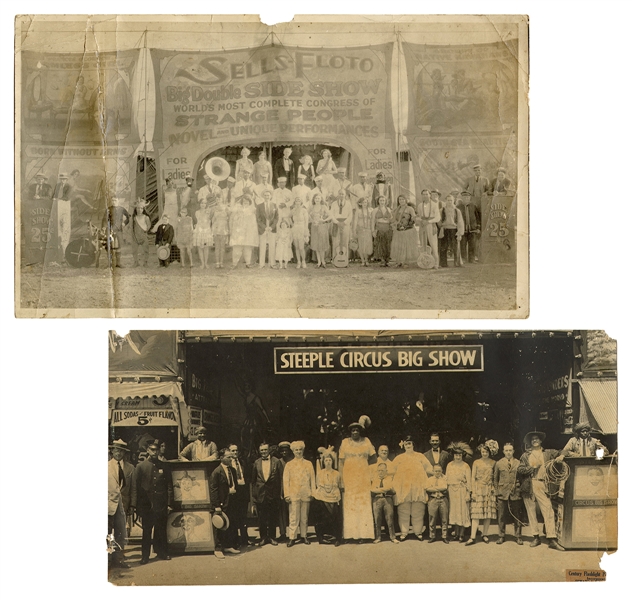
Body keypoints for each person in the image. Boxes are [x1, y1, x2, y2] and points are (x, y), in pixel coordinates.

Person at [517, 431, 566, 551]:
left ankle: (552, 539)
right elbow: (520, 469)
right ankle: (536, 537)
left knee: (548, 510)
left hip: (543, 484)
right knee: (531, 512)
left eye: (537, 439)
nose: (535, 441)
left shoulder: (548, 453)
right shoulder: (525, 455)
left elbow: (563, 451)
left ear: (541, 441)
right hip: (530, 484)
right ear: (530, 442)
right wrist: (532, 468)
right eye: (532, 439)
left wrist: (561, 456)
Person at [131, 441, 173, 565]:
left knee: (161, 530)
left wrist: (169, 503)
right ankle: (145, 556)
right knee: (147, 531)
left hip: (161, 504)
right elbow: (136, 487)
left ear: (159, 450)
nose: (154, 452)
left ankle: (162, 553)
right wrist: (136, 506)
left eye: (157, 450)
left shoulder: (164, 466)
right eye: (152, 450)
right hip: (147, 506)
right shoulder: (141, 466)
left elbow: (169, 486)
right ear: (148, 450)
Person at [339, 417, 376, 542]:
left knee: (363, 503)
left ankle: (364, 535)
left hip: (363, 477)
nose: (355, 432)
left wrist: (369, 474)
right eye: (353, 430)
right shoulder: (344, 442)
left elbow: (373, 459)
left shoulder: (366, 441)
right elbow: (341, 462)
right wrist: (341, 480)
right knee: (351, 504)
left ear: (360, 431)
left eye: (357, 430)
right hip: (349, 478)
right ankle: (351, 535)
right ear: (350, 432)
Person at [392, 435, 433, 541]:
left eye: (410, 443)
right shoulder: (399, 458)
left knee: (418, 510)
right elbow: (391, 471)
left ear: (413, 445)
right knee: (403, 510)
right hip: (403, 489)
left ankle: (418, 532)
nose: (408, 445)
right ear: (403, 445)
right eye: (406, 444)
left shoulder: (420, 457)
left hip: (418, 488)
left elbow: (429, 469)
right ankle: (404, 532)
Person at [209, 448, 241, 559]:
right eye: (228, 457)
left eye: (231, 457)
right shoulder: (216, 472)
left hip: (231, 501)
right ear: (221, 458)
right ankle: (218, 549)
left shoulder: (232, 470)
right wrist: (216, 505)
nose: (231, 458)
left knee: (230, 524)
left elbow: (234, 485)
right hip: (221, 503)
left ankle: (228, 545)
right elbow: (213, 490)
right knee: (219, 526)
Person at [465, 440, 499, 545]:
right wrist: (473, 492)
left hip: (489, 490)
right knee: (476, 514)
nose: (484, 454)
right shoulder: (476, 462)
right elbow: (472, 477)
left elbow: (495, 478)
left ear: (490, 452)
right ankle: (472, 536)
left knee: (488, 514)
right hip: (478, 489)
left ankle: (485, 534)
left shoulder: (493, 463)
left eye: (486, 452)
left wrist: (494, 489)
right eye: (483, 451)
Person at [283, 440, 315, 547]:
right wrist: (286, 494)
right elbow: (286, 481)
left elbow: (312, 479)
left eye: (300, 449)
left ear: (303, 450)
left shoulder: (308, 464)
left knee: (304, 516)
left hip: (306, 493)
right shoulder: (289, 465)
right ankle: (292, 537)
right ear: (293, 451)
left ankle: (304, 535)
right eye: (296, 450)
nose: (298, 452)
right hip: (293, 493)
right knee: (293, 516)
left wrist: (313, 492)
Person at [251, 442, 283, 546]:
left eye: (265, 450)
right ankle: (263, 538)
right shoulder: (256, 462)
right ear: (259, 452)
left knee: (273, 516)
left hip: (273, 494)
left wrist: (281, 493)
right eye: (262, 450)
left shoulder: (276, 461)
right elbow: (253, 480)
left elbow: (281, 478)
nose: (264, 452)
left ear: (269, 450)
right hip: (261, 494)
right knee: (262, 518)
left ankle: (272, 537)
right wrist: (254, 496)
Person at [108, 440, 134, 569]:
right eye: (116, 450)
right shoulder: (105, 466)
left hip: (123, 505)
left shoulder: (130, 467)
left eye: (121, 451)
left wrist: (132, 505)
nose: (118, 453)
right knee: (108, 534)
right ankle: (107, 560)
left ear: (124, 453)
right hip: (108, 505)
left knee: (121, 533)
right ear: (112, 451)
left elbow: (132, 489)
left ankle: (118, 560)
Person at [493, 442, 525, 545]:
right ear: (503, 451)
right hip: (502, 493)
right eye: (506, 450)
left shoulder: (518, 463)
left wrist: (519, 489)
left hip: (515, 492)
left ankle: (518, 536)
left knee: (517, 515)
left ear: (513, 451)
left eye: (510, 450)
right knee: (501, 515)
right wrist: (497, 491)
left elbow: (522, 478)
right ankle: (501, 536)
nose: (508, 452)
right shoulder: (498, 463)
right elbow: (495, 479)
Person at [313, 449, 343, 546]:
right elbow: (319, 484)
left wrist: (333, 491)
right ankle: (321, 538)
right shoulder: (320, 473)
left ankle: (337, 538)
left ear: (332, 461)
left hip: (334, 496)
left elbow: (338, 485)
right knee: (321, 517)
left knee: (335, 517)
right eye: (326, 460)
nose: (328, 462)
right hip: (323, 496)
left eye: (330, 460)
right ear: (323, 462)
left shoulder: (337, 473)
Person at [446, 442, 472, 542]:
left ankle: (461, 534)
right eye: (456, 455)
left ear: (462, 456)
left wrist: (468, 493)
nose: (458, 457)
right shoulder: (449, 465)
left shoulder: (465, 466)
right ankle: (456, 534)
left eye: (459, 455)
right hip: (452, 491)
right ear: (453, 455)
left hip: (462, 491)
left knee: (462, 512)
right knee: (454, 512)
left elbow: (469, 481)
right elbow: (447, 478)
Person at [228, 443, 250, 547]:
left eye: (236, 450)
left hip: (243, 492)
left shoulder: (243, 462)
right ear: (229, 451)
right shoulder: (228, 463)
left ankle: (245, 539)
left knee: (243, 516)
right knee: (234, 517)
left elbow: (248, 477)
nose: (235, 452)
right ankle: (235, 540)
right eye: (233, 451)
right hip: (233, 492)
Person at [370, 462, 398, 544]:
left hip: (387, 499)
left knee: (389, 518)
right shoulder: (374, 480)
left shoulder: (389, 479)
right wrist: (383, 490)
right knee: (377, 519)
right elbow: (372, 490)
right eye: (379, 470)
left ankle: (393, 537)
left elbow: (390, 489)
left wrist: (378, 490)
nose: (380, 472)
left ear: (386, 470)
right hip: (377, 500)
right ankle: (378, 537)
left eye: (382, 470)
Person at [229, 194, 258, 268]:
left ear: (249, 202)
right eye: (244, 201)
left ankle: (248, 263)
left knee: (247, 247)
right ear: (242, 202)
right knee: (237, 247)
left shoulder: (252, 210)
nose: (246, 202)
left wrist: (252, 231)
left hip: (248, 231)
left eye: (247, 201)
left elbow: (253, 222)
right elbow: (232, 218)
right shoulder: (238, 209)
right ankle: (234, 263)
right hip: (238, 231)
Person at [391, 195, 419, 267]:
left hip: (407, 230)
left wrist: (414, 219)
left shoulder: (410, 209)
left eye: (403, 199)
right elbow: (394, 219)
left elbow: (414, 217)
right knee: (399, 246)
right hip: (399, 230)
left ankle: (406, 262)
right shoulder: (396, 209)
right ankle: (399, 262)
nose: (401, 201)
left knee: (407, 247)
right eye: (400, 199)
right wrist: (393, 224)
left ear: (406, 200)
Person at [425, 464, 450, 544]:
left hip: (443, 499)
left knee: (444, 518)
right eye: (436, 471)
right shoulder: (429, 479)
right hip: (433, 499)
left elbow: (445, 487)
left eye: (439, 471)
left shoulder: (444, 479)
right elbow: (427, 488)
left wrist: (433, 488)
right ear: (433, 471)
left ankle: (444, 536)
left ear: (442, 471)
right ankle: (432, 536)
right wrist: (438, 488)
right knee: (432, 518)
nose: (437, 472)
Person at [438, 194, 464, 267]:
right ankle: (443, 263)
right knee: (444, 246)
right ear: (445, 201)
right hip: (445, 229)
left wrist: (459, 233)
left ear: (454, 201)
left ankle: (457, 263)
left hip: (454, 230)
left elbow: (460, 222)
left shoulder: (457, 211)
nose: (449, 202)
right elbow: (438, 220)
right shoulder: (441, 210)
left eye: (451, 200)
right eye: (448, 200)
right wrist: (441, 226)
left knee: (456, 247)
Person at [104, 196, 130, 268]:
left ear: (118, 201)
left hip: (119, 231)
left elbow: (128, 217)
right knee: (109, 247)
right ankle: (110, 263)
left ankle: (118, 263)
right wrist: (106, 227)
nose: (114, 202)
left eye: (115, 200)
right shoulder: (108, 209)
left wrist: (124, 223)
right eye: (112, 201)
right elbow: (104, 219)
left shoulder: (122, 209)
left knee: (119, 247)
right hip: (110, 231)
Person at [256, 189, 279, 268]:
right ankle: (261, 264)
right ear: (263, 196)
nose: (267, 197)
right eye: (265, 195)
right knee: (262, 246)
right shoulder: (259, 206)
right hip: (263, 229)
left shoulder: (275, 205)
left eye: (268, 195)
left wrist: (271, 227)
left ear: (271, 196)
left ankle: (272, 263)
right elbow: (258, 219)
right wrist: (264, 227)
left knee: (272, 246)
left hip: (272, 228)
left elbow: (276, 218)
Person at [330, 188, 353, 260]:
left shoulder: (348, 203)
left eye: (343, 194)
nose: (341, 195)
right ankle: (335, 259)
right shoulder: (334, 204)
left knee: (345, 241)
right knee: (336, 242)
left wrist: (344, 222)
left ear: (345, 195)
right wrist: (337, 222)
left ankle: (345, 259)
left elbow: (350, 215)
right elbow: (331, 214)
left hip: (345, 224)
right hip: (336, 224)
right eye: (340, 194)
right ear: (338, 194)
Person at [309, 192, 332, 268]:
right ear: (314, 199)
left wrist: (324, 220)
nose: (317, 200)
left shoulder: (324, 207)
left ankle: (323, 261)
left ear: (321, 199)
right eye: (316, 198)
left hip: (322, 227)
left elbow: (330, 216)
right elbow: (308, 217)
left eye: (318, 198)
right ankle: (319, 262)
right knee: (316, 245)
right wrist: (312, 221)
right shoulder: (312, 207)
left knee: (322, 245)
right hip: (314, 227)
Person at [458, 191, 480, 264]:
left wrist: (478, 228)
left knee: (472, 245)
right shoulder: (458, 207)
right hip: (462, 230)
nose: (466, 198)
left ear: (470, 198)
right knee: (462, 245)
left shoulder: (473, 206)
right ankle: (463, 259)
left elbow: (478, 217)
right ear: (462, 198)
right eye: (464, 197)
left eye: (467, 197)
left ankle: (472, 259)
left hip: (472, 229)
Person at [277, 441, 293, 541]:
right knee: (281, 512)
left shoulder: (292, 461)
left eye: (286, 450)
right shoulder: (279, 462)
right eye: (282, 451)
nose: (284, 452)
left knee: (292, 512)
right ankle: (283, 533)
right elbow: (278, 478)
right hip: (282, 490)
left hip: (292, 489)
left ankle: (292, 533)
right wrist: (280, 492)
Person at [371, 195, 393, 266]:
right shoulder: (375, 210)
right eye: (380, 200)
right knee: (380, 245)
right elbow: (372, 221)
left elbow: (391, 220)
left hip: (387, 229)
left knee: (387, 245)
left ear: (385, 201)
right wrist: (373, 231)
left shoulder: (389, 209)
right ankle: (382, 260)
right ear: (378, 201)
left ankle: (387, 260)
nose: (382, 202)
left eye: (383, 200)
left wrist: (388, 220)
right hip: (379, 229)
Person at [130, 200, 151, 268]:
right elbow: (131, 227)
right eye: (138, 208)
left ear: (143, 209)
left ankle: (145, 262)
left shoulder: (146, 217)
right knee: (134, 250)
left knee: (146, 250)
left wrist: (145, 230)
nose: (139, 210)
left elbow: (149, 225)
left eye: (141, 208)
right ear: (136, 209)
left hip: (143, 235)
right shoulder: (133, 218)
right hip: (135, 236)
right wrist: (133, 234)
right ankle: (136, 262)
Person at [193, 199, 212, 269]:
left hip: (206, 230)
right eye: (201, 203)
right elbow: (197, 221)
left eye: (204, 203)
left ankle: (206, 263)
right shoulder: (197, 212)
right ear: (199, 204)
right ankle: (202, 263)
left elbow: (209, 221)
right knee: (200, 247)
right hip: (199, 230)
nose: (203, 205)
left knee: (206, 247)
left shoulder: (208, 212)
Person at [290, 197, 309, 269]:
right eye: (296, 201)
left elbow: (306, 222)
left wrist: (306, 231)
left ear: (301, 202)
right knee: (296, 247)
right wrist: (292, 225)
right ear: (294, 203)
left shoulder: (304, 210)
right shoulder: (293, 210)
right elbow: (288, 217)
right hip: (295, 228)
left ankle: (303, 261)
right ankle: (298, 262)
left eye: (299, 201)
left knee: (301, 247)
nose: (297, 202)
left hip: (302, 228)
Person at [210, 198, 229, 268]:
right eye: (217, 199)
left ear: (222, 200)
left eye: (219, 199)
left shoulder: (226, 208)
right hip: (216, 229)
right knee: (217, 247)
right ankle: (217, 262)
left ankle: (221, 262)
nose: (218, 201)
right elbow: (210, 218)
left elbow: (229, 217)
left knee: (222, 247)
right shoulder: (213, 208)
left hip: (223, 229)